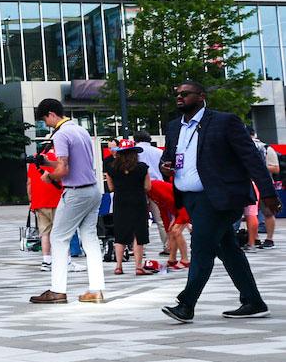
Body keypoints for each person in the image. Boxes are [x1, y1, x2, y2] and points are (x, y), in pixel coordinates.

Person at [159, 81, 272, 323]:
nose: (179, 97)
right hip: (190, 199)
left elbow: (251, 159)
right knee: (228, 249)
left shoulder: (224, 121)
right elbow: (167, 158)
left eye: (185, 94)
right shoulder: (173, 127)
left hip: (220, 198)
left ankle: (186, 304)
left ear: (200, 96)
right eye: (177, 94)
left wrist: (269, 193)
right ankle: (253, 301)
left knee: (201, 248)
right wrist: (165, 166)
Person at [30, 99, 104, 305]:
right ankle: (96, 289)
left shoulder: (61, 134)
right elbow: (72, 163)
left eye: (45, 120)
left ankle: (58, 290)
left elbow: (64, 169)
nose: (46, 124)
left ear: (51, 114)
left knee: (58, 238)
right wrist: (48, 163)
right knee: (90, 238)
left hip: (75, 192)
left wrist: (49, 175)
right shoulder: (80, 130)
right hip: (92, 189)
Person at [105, 145, 156, 276]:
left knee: (120, 233)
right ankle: (138, 267)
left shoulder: (111, 168)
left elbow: (111, 188)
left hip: (120, 202)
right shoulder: (142, 168)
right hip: (138, 201)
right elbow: (148, 187)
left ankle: (118, 266)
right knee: (138, 233)